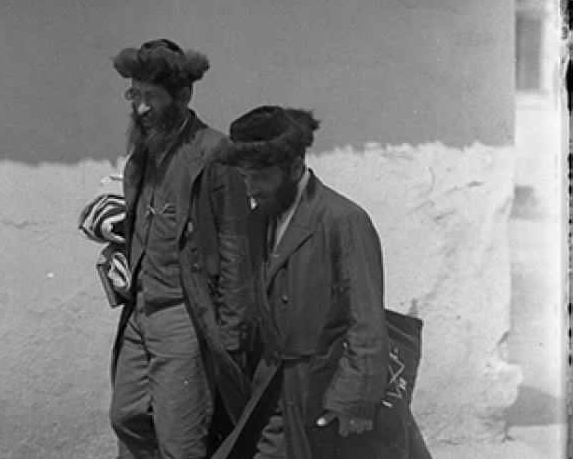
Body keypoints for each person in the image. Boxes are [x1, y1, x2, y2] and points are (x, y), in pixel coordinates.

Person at [214, 106, 429, 459]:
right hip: (274, 387)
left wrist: (355, 400)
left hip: (325, 388)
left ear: (296, 166)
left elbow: (366, 318)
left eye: (260, 178)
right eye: (244, 177)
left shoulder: (342, 219)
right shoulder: (259, 220)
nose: (250, 190)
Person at [108, 38, 256, 459]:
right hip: (139, 311)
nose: (140, 108)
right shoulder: (143, 150)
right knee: (127, 417)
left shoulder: (215, 154)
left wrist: (233, 332)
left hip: (184, 317)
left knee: (180, 440)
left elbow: (235, 247)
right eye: (135, 94)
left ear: (183, 96)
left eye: (151, 97)